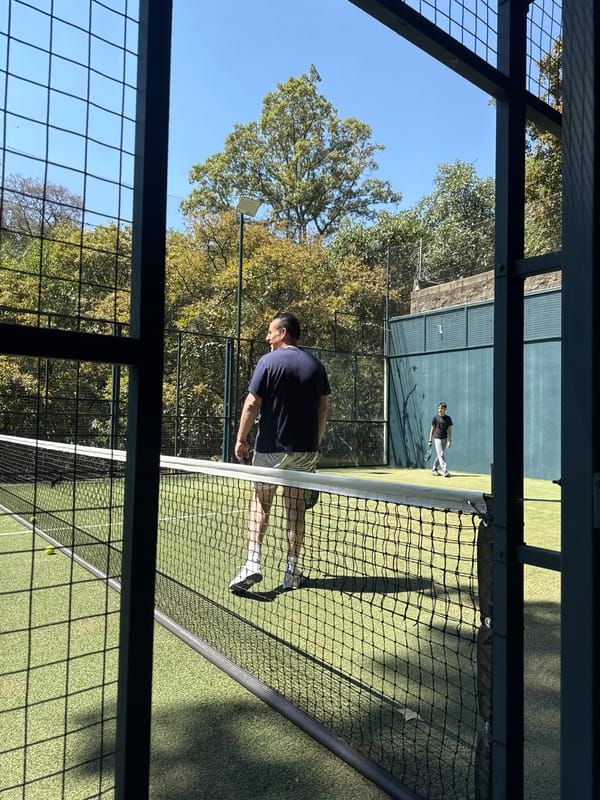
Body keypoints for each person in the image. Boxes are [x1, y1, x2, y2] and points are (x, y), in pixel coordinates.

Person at [229, 312, 330, 593]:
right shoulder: (317, 366)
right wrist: (316, 443)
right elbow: (323, 409)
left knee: (261, 502)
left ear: (283, 333)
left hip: (271, 448)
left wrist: (240, 439)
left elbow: (251, 403)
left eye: (270, 332)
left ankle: (252, 563)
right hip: (306, 450)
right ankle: (292, 571)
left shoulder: (268, 362)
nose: (267, 338)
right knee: (295, 507)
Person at [428, 402, 453, 477]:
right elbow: (432, 429)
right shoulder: (435, 418)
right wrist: (430, 440)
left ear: (445, 409)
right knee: (441, 454)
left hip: (445, 439)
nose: (439, 409)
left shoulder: (448, 418)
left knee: (440, 455)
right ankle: (445, 470)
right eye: (438, 408)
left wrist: (449, 441)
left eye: (441, 408)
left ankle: (434, 469)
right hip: (437, 438)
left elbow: (449, 430)